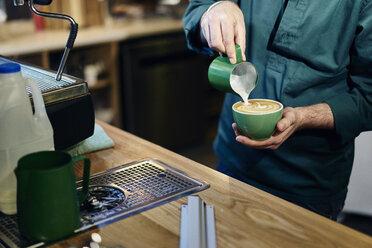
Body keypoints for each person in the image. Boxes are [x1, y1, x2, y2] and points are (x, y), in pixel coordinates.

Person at [183, 0, 372, 220]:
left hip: (309, 184)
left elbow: (368, 96)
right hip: (233, 163)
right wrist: (212, 11)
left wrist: (302, 118)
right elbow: (197, 11)